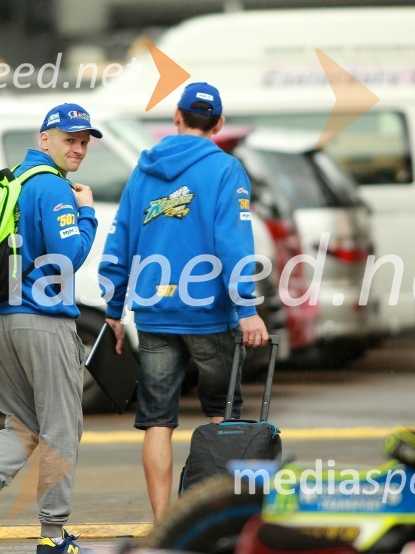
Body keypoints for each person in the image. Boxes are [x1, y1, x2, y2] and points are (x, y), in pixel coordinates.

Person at [98, 82, 269, 520]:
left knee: (157, 421)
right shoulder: (226, 169)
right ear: (219, 124)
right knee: (221, 417)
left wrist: (114, 311)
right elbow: (232, 243)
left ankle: (163, 524)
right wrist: (246, 308)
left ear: (176, 116)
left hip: (154, 313)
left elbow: (121, 239)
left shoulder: (145, 169)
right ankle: (212, 520)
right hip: (209, 315)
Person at [0, 103, 100, 554]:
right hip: (43, 321)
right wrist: (87, 212)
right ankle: (53, 536)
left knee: (21, 423)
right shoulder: (52, 188)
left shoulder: (12, 183)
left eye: (83, 141)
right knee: (61, 429)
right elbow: (68, 258)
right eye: (68, 139)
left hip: (2, 320)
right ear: (44, 139)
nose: (77, 148)